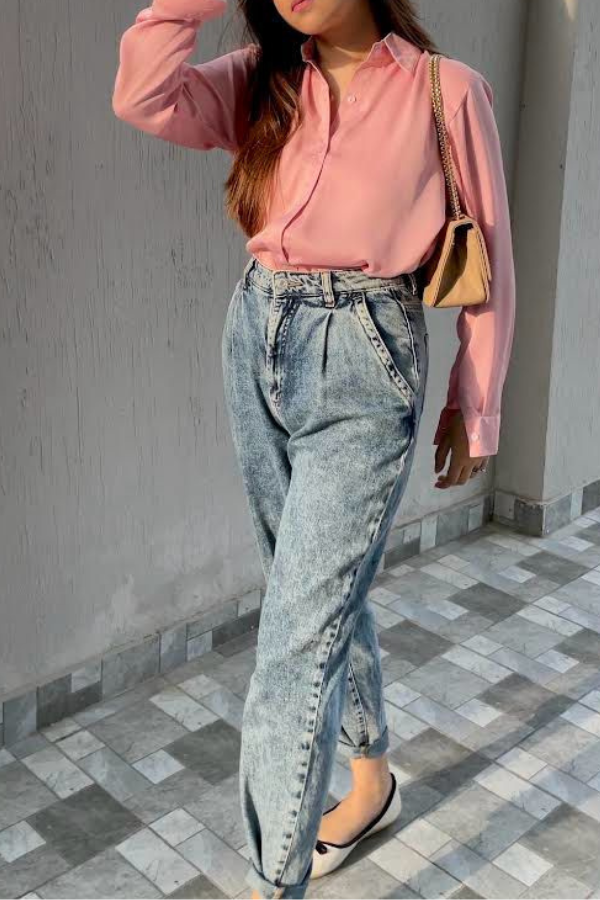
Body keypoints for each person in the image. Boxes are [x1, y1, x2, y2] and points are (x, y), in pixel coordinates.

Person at [112, 0, 516, 893]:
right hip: (256, 335)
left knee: (293, 645)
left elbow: (492, 257)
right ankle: (371, 783)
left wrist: (475, 403)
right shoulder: (263, 78)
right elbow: (142, 96)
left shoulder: (447, 93)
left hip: (367, 361)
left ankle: (273, 883)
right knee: (315, 598)